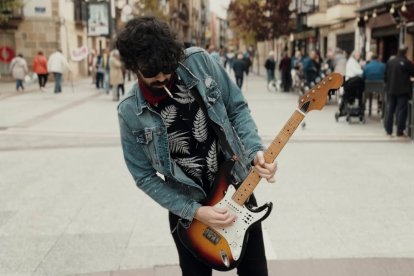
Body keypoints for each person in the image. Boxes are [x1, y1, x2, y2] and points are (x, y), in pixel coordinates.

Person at [116, 16, 277, 276]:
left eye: (166, 67)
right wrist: (196, 212)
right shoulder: (129, 112)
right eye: (150, 72)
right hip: (188, 212)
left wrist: (254, 150)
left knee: (256, 271)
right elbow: (143, 176)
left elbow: (236, 107)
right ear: (133, 66)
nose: (161, 77)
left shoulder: (199, 62)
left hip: (237, 187)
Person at [384, 45, 414, 137]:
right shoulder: (407, 62)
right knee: (401, 110)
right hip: (403, 90)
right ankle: (400, 130)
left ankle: (388, 130)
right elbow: (413, 73)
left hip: (391, 89)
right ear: (406, 52)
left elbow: (385, 76)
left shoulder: (390, 62)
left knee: (390, 109)